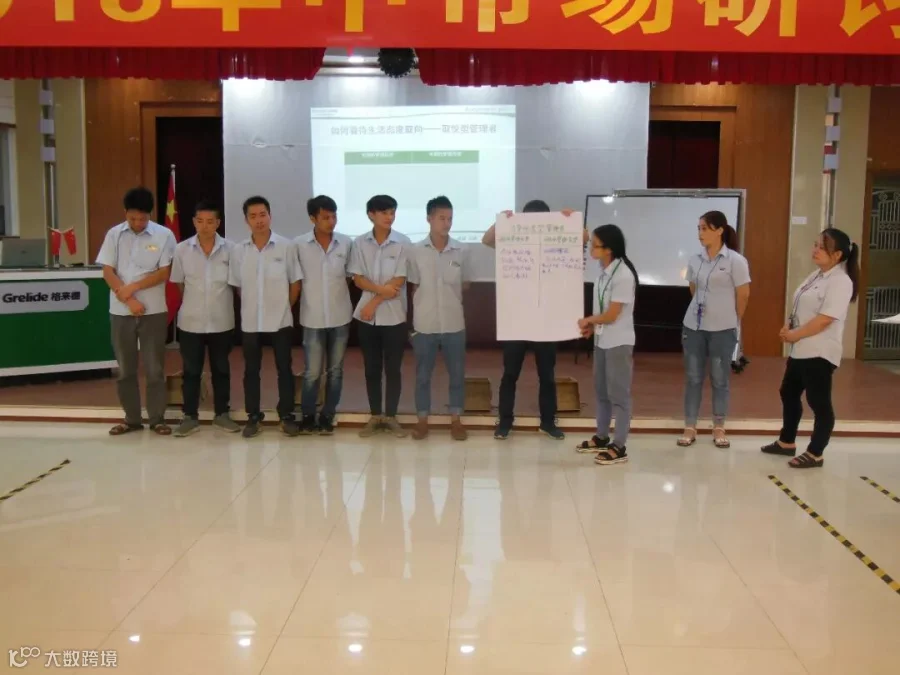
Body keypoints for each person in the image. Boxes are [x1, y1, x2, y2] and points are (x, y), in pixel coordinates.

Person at [482, 200, 585, 440]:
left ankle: (548, 422)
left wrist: (570, 222)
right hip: (517, 319)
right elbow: (486, 240)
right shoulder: (514, 240)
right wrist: (502, 222)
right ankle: (505, 422)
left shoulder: (557, 242)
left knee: (547, 375)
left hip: (545, 320)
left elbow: (585, 238)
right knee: (510, 374)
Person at [761, 228, 858, 469]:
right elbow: (800, 305)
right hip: (801, 349)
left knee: (819, 402)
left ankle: (816, 453)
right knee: (788, 392)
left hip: (819, 352)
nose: (815, 250)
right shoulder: (816, 275)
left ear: (837, 255)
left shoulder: (841, 281)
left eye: (822, 247)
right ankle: (786, 442)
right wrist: (788, 327)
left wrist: (795, 334)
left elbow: (825, 319)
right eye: (815, 245)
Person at [96, 187, 177, 437]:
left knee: (154, 369)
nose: (138, 223)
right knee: (125, 369)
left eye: (143, 218)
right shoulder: (114, 234)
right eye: (132, 218)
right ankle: (131, 419)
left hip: (154, 311)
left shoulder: (164, 235)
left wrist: (134, 287)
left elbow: (164, 273)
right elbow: (107, 271)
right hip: (121, 311)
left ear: (150, 214)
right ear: (125, 213)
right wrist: (128, 298)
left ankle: (157, 419)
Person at [229, 195, 302, 438]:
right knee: (251, 370)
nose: (259, 220)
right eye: (253, 216)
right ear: (246, 220)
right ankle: (253, 416)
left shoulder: (286, 246)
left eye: (263, 215)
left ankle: (287, 415)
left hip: (280, 320)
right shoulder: (239, 250)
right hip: (251, 321)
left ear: (270, 216)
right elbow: (238, 286)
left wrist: (284, 307)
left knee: (284, 368)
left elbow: (295, 283)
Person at [677, 211, 751, 449]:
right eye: (698, 228)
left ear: (719, 230)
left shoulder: (735, 261)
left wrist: (733, 319)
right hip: (694, 326)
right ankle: (690, 425)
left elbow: (743, 294)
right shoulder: (694, 259)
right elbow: (693, 288)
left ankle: (719, 425)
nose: (700, 233)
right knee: (693, 377)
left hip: (723, 328)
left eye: (705, 228)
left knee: (720, 379)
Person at [170, 200, 239, 437]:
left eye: (210, 222)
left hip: (222, 321)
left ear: (218, 223)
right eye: (200, 221)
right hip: (191, 321)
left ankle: (222, 414)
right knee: (191, 371)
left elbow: (236, 284)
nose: (205, 226)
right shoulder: (181, 250)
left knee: (221, 369)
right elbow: (179, 284)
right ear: (193, 222)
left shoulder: (231, 249)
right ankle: (190, 416)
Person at [407, 196, 472, 441]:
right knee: (423, 375)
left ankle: (456, 420)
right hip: (425, 324)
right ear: (429, 219)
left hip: (454, 322)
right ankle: (422, 420)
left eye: (450, 218)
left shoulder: (462, 250)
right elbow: (414, 285)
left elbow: (466, 283)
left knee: (457, 375)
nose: (447, 223)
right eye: (442, 218)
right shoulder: (415, 251)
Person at [349, 194, 412, 438]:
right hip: (367, 319)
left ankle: (392, 417)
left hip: (394, 316)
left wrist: (374, 301)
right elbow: (358, 278)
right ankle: (376, 416)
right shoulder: (359, 243)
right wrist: (380, 291)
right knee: (371, 368)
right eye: (384, 212)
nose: (389, 217)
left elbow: (399, 279)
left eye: (392, 212)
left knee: (393, 368)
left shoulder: (403, 242)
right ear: (371, 215)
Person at [575, 224, 639, 465]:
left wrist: (589, 320)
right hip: (602, 341)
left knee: (619, 395)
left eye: (595, 245)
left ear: (609, 249)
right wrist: (592, 327)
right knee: (601, 391)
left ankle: (619, 445)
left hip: (618, 343)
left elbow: (612, 314)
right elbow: (602, 309)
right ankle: (602, 436)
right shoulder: (603, 272)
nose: (591, 248)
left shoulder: (623, 275)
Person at [295, 195, 353, 435]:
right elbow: (295, 280)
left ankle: (328, 414)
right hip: (312, 318)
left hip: (340, 316)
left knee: (336, 372)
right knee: (312, 372)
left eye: (334, 216)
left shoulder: (346, 243)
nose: (331, 221)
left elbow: (350, 277)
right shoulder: (299, 245)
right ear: (312, 218)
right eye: (325, 217)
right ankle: (308, 416)